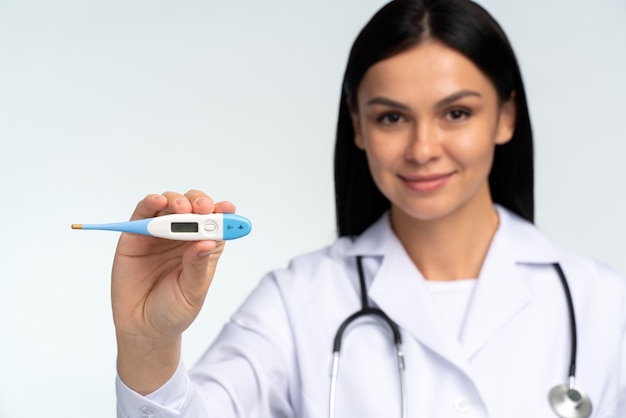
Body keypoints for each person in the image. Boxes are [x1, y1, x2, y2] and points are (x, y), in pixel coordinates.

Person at [113, 0, 626, 416]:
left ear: (506, 117)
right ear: (357, 126)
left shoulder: (603, 305)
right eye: (391, 118)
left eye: (456, 112)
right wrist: (149, 343)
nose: (423, 148)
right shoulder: (298, 303)